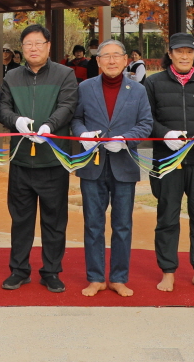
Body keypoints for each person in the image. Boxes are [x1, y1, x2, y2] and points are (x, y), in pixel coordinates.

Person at [0, 22, 80, 293]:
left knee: (54, 220)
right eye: (28, 44)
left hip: (53, 160)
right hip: (21, 160)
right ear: (21, 49)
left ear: (48, 46)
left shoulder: (65, 74)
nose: (33, 48)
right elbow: (3, 108)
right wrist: (16, 121)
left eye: (38, 43)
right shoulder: (11, 77)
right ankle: (19, 270)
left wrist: (50, 126)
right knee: (20, 220)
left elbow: (68, 105)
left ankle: (51, 271)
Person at [144, 31, 194, 293]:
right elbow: (146, 119)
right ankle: (168, 271)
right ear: (169, 54)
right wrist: (164, 134)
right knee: (167, 217)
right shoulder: (153, 83)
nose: (184, 56)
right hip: (167, 161)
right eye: (179, 51)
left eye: (189, 52)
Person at [72, 39, 152, 297]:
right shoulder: (85, 87)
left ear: (126, 59)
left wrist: (125, 139)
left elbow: (146, 123)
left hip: (124, 164)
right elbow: (76, 119)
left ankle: (119, 277)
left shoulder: (137, 90)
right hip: (93, 165)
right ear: (97, 61)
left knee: (122, 225)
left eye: (116, 55)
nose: (111, 60)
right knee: (93, 224)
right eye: (105, 56)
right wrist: (83, 134)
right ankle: (95, 277)